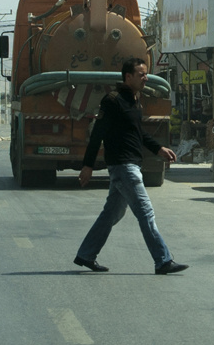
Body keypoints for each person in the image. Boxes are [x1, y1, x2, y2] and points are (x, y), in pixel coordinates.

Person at [74, 58, 186, 275]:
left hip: (129, 165)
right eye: (141, 74)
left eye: (146, 74)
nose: (146, 78)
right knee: (145, 212)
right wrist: (87, 165)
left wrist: (158, 149)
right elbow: (98, 134)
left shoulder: (134, 100)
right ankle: (163, 260)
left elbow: (138, 133)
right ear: (128, 77)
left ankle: (86, 254)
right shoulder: (112, 101)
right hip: (123, 166)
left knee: (111, 214)